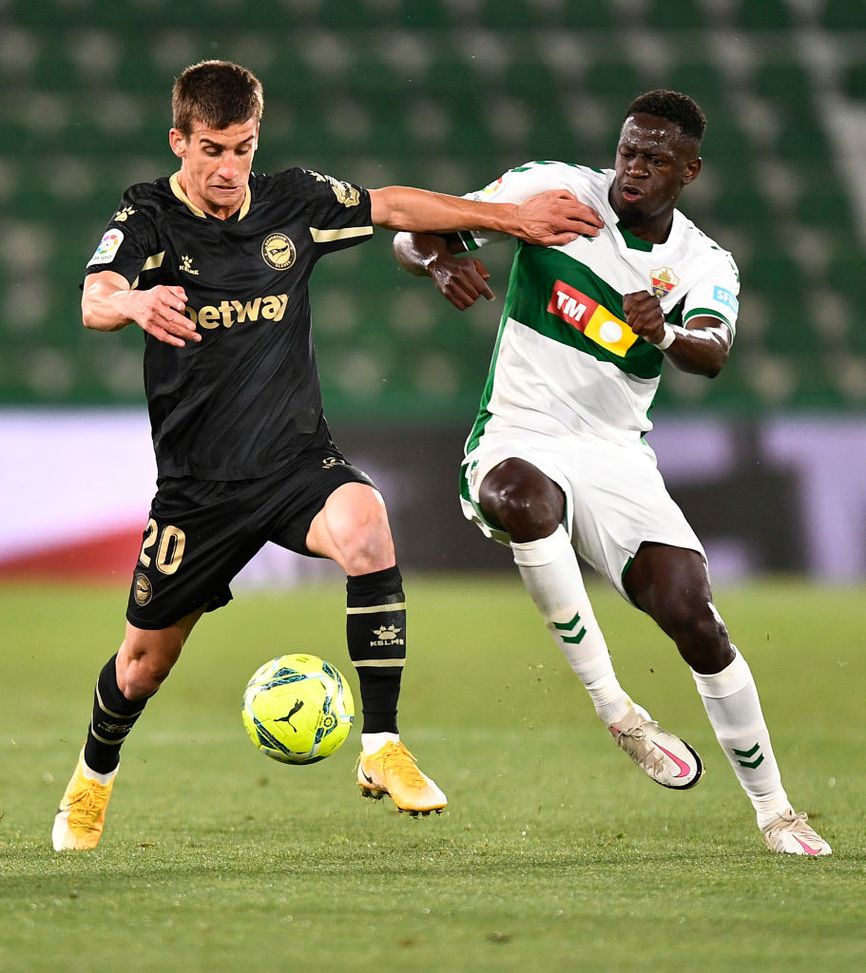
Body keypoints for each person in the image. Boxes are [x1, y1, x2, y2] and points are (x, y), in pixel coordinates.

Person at [52, 59, 603, 852]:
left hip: (292, 466)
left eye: (242, 148)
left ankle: (381, 745)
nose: (228, 169)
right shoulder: (147, 218)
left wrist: (509, 219)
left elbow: (392, 206)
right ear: (180, 141)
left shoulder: (292, 201)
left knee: (367, 523)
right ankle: (91, 779)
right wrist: (134, 299)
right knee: (140, 667)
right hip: (198, 491)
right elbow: (93, 295)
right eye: (211, 149)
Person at [393, 89, 831, 856]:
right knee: (522, 500)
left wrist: (663, 332)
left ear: (688, 171)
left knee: (694, 616)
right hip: (518, 433)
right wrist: (438, 260)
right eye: (629, 150)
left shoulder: (702, 261)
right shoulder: (555, 192)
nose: (634, 169)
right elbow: (414, 229)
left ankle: (776, 810)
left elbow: (713, 352)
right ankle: (617, 710)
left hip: (616, 454)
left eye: (656, 159)